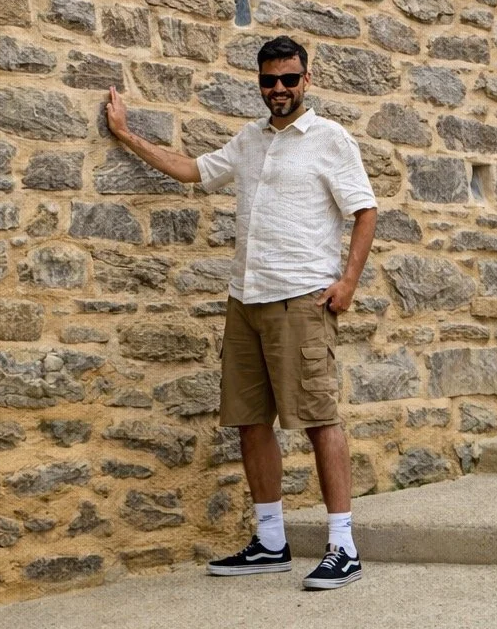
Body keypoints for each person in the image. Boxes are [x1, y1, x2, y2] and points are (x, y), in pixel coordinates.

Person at [104, 34, 378, 591]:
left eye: (289, 79)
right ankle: (270, 542)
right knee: (251, 421)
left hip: (301, 297)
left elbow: (365, 210)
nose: (279, 89)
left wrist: (348, 281)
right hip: (245, 300)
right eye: (269, 80)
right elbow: (193, 171)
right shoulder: (249, 141)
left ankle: (343, 547)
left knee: (319, 418)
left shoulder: (331, 139)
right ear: (259, 82)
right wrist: (127, 135)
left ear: (307, 80)